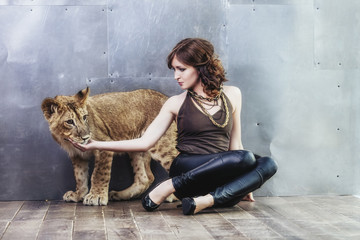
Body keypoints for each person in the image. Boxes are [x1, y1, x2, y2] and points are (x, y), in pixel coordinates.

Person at [69, 38, 278, 215]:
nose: (176, 76)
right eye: (174, 70)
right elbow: (145, 142)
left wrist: (244, 179)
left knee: (267, 163)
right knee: (246, 158)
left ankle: (205, 201)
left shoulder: (233, 94)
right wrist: (96, 144)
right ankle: (171, 185)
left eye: (181, 69)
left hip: (216, 175)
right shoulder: (175, 102)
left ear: (201, 67)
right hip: (187, 168)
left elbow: (236, 142)